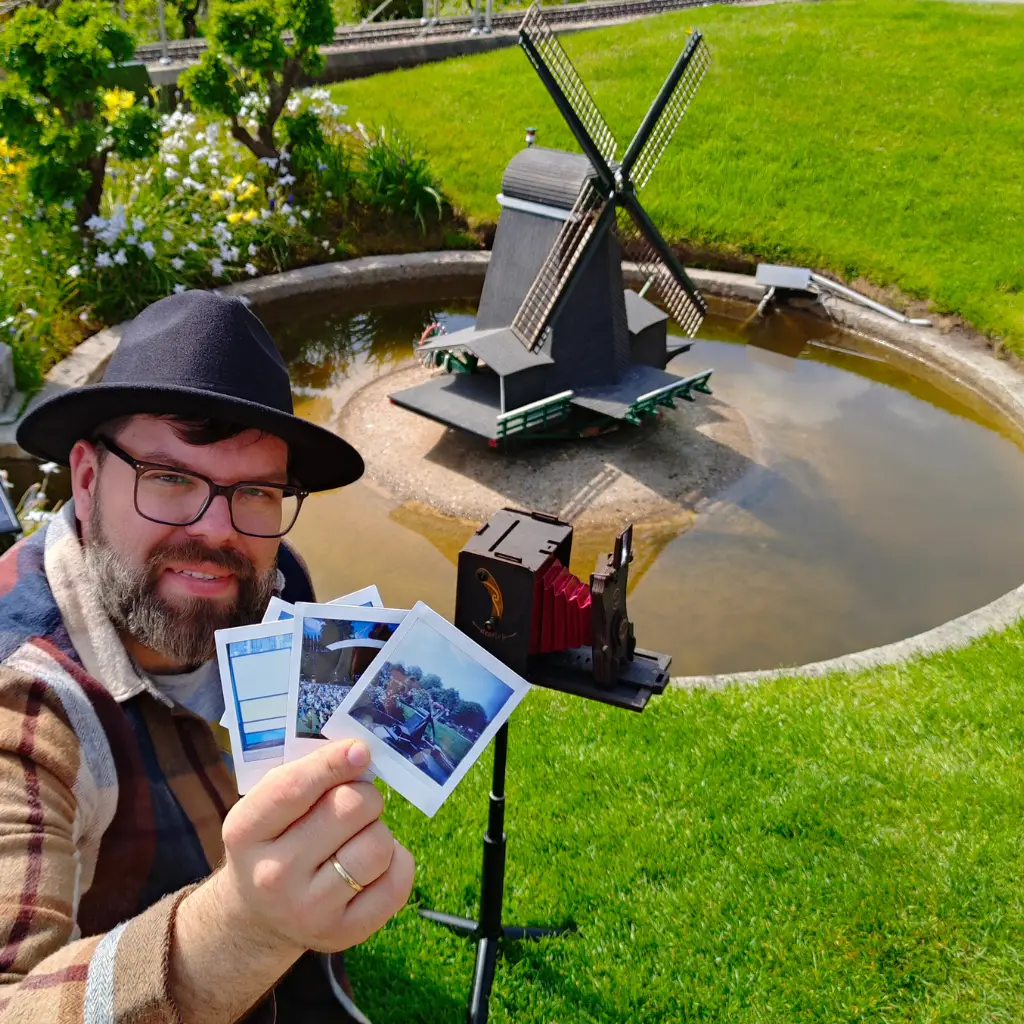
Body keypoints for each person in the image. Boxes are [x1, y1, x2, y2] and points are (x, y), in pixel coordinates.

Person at [0, 291, 415, 1023]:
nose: (217, 532)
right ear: (88, 479)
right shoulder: (22, 695)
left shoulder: (278, 581)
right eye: (171, 478)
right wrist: (243, 926)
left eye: (254, 490)